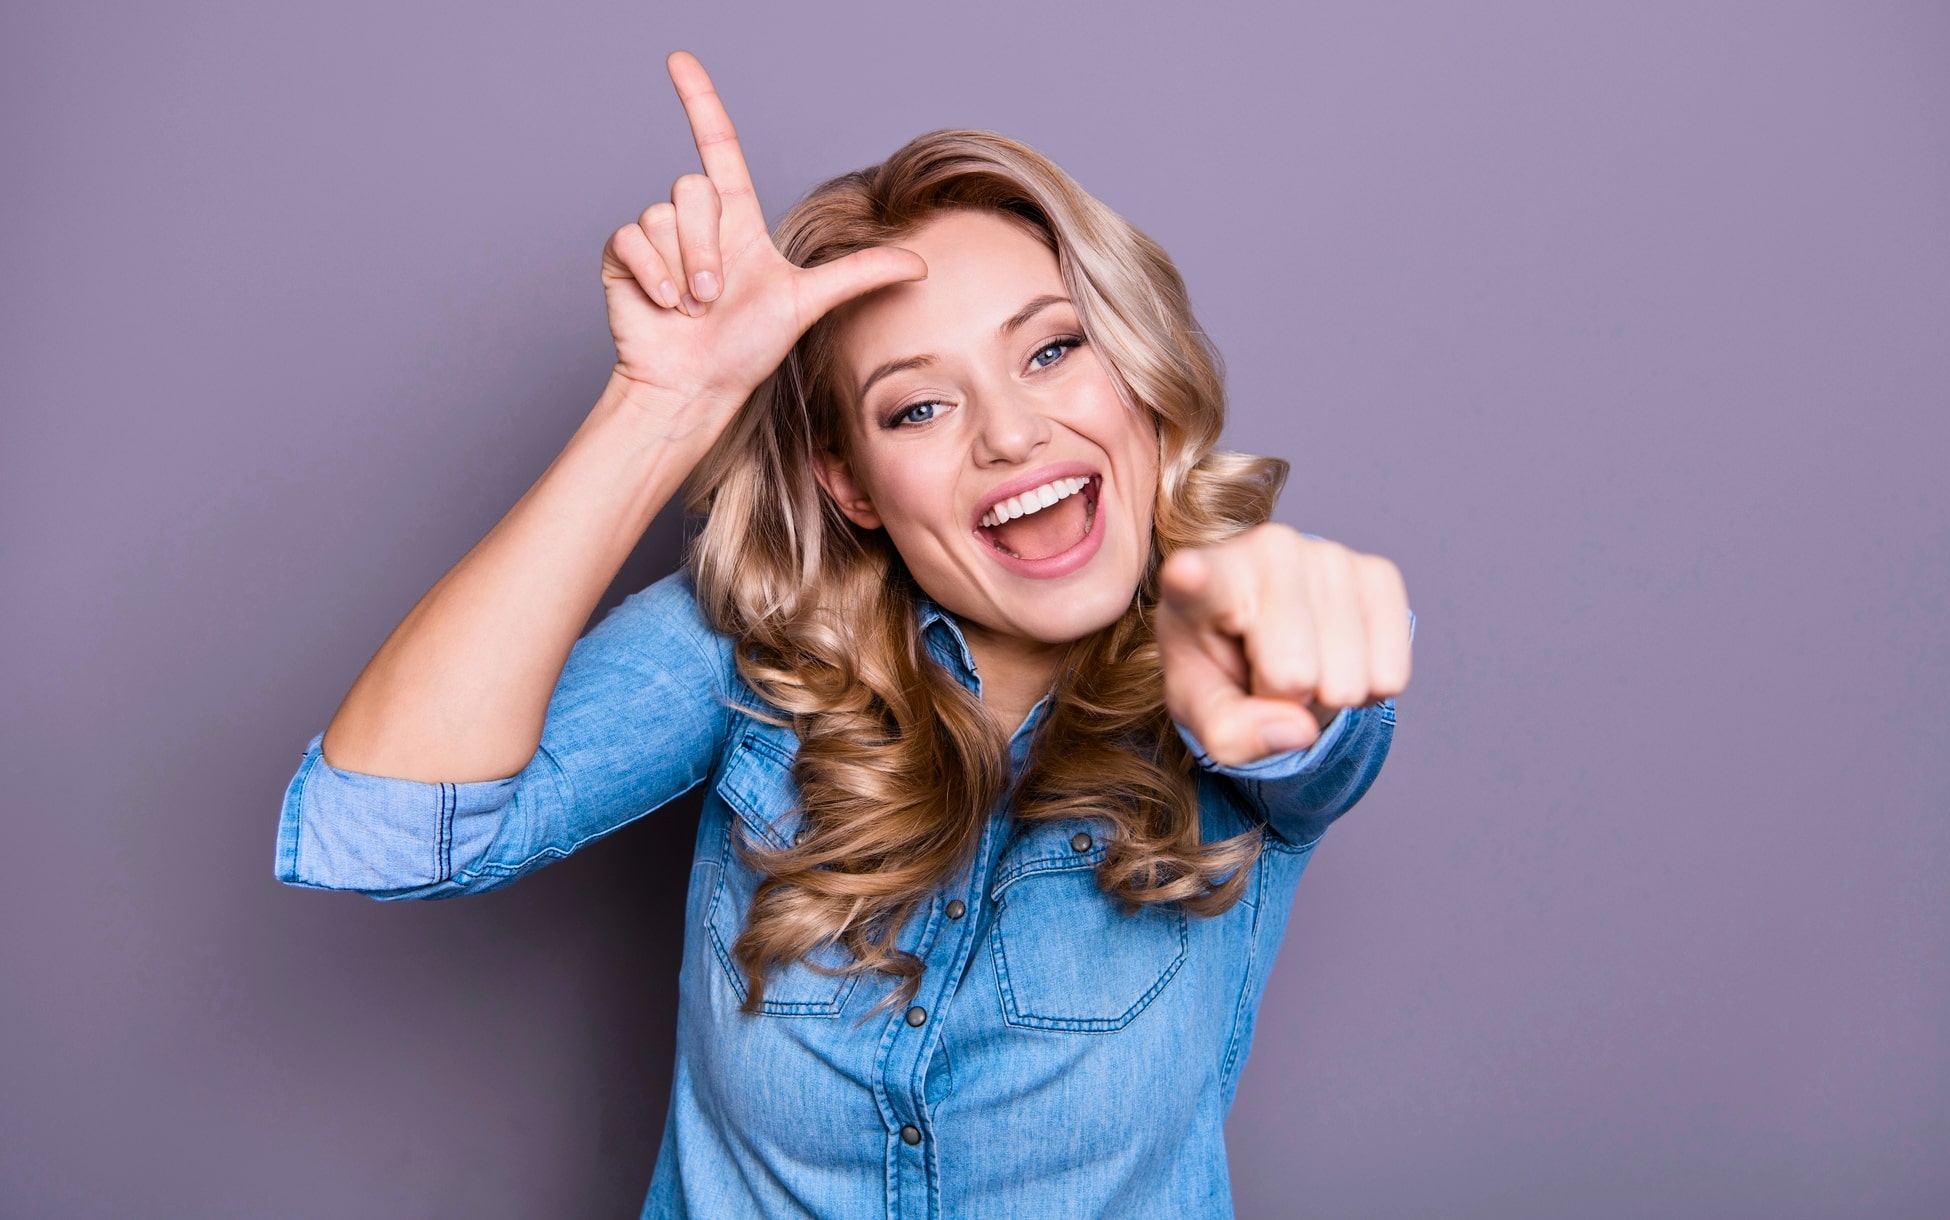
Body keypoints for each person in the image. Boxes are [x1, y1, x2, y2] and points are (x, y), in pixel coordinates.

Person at [273, 49, 1413, 1219]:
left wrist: (1288, 687)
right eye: (917, 405)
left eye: (1051, 348)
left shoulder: (1237, 648)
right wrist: (659, 409)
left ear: (1135, 370)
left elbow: (1311, 723)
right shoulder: (749, 652)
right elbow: (385, 829)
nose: (1008, 433)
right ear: (850, 483)